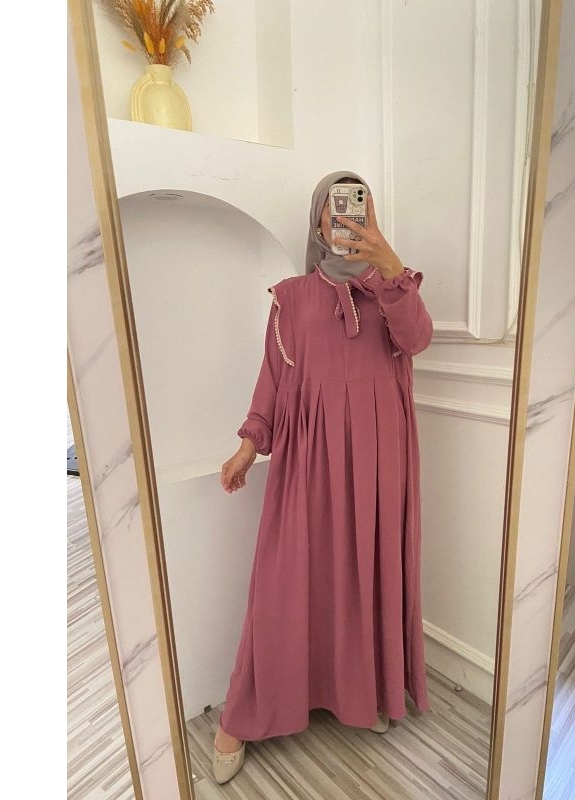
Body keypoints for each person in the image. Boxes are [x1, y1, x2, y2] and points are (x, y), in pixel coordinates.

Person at [210, 170, 434, 784]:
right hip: (309, 458)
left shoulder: (392, 289)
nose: (348, 219)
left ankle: (363, 694)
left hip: (380, 458)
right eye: (336, 210)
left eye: (361, 209)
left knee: (367, 572)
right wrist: (248, 445)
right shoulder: (292, 297)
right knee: (285, 581)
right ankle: (242, 715)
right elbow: (273, 381)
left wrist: (389, 265)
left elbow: (417, 340)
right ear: (318, 221)